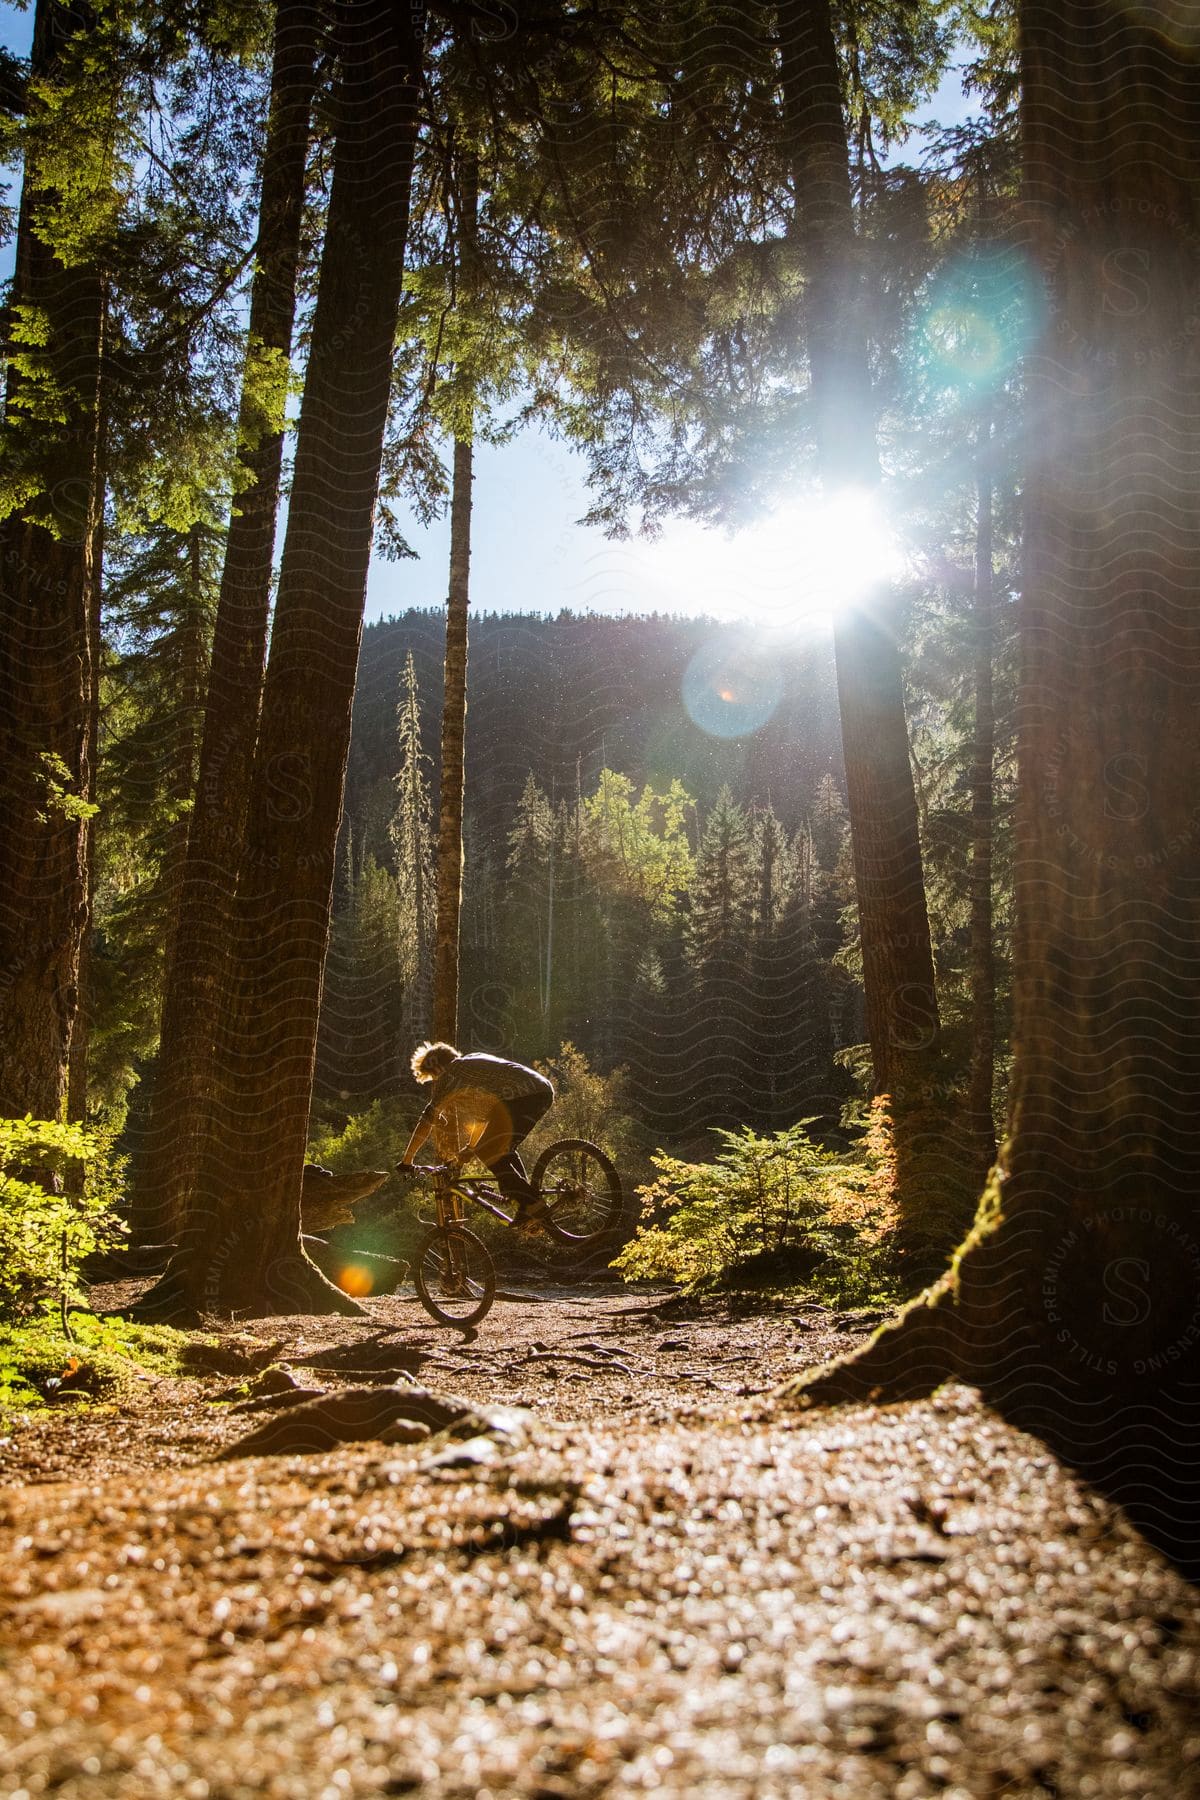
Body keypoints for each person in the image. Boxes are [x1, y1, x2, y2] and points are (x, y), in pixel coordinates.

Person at [396, 1041, 554, 1222]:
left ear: (437, 1068)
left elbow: (427, 1119)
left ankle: (533, 1203)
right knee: (501, 1150)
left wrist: (407, 1161)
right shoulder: (471, 1067)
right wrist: (471, 1147)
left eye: (433, 1077)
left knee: (488, 1150)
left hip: (522, 1097)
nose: (436, 1083)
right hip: (541, 1091)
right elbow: (484, 1119)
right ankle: (526, 1205)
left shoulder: (451, 1073)